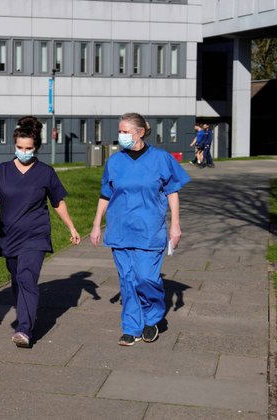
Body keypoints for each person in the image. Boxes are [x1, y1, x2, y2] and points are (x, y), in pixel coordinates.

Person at [89, 112, 191, 347]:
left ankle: (152, 318)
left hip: (149, 229)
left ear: (140, 132)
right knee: (127, 280)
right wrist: (96, 225)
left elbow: (172, 192)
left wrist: (175, 225)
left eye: (125, 131)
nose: (121, 136)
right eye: (120, 131)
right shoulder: (114, 162)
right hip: (120, 229)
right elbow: (106, 194)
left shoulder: (161, 159)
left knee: (145, 277)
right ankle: (132, 327)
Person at [0, 116, 81, 349]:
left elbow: (58, 202)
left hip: (36, 234)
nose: (23, 152)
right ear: (14, 145)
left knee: (27, 277)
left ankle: (24, 328)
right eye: (19, 148)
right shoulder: (3, 170)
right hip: (9, 235)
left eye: (28, 149)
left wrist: (72, 227)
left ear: (36, 148)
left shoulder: (45, 172)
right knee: (17, 278)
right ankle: (26, 314)